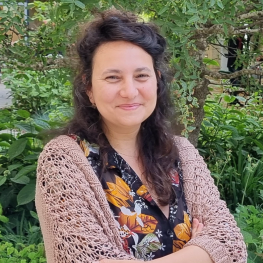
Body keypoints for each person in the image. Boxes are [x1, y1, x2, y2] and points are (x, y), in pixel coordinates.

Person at [35, 9, 247, 263]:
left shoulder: (180, 152)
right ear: (89, 88)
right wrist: (201, 250)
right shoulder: (64, 161)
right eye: (113, 77)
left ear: (157, 81)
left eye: (141, 76)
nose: (129, 91)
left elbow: (231, 243)